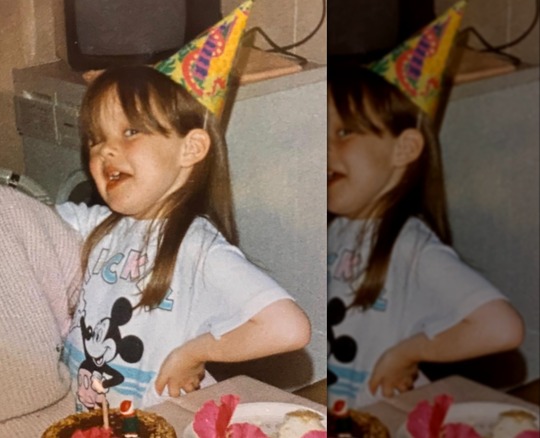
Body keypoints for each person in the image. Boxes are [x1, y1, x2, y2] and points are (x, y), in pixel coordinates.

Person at [57, 63, 311, 412]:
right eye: (96, 139)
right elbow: (19, 216)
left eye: (130, 132)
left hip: (162, 424)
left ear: (190, 149)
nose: (105, 151)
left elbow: (288, 328)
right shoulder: (96, 225)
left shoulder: (197, 248)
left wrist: (194, 353)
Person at [326, 62, 524, 408]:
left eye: (344, 133)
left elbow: (501, 327)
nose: (322, 149)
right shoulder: (340, 227)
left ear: (404, 149)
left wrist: (407, 352)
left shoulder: (410, 246)